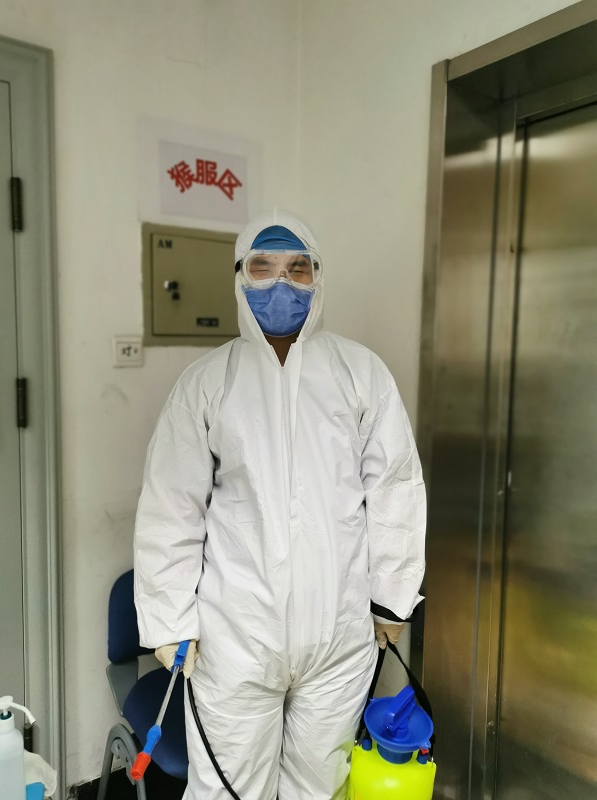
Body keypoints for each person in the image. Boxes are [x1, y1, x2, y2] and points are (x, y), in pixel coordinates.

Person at [134, 209, 426, 799]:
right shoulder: (207, 383)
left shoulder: (360, 374)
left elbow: (394, 487)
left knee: (319, 786)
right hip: (235, 640)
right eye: (263, 267)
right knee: (227, 789)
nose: (281, 283)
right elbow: (172, 507)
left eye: (298, 269)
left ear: (319, 277)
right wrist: (169, 618)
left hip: (340, 636)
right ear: (240, 276)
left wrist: (391, 599)